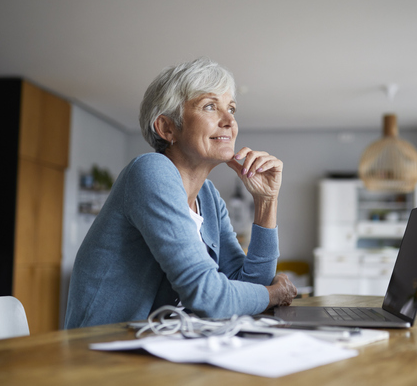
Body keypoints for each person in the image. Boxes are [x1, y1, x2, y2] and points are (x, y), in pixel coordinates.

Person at [65, 57, 297, 328]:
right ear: (167, 128)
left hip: (161, 347)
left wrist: (266, 201)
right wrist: (273, 294)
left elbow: (247, 285)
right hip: (102, 353)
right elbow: (208, 296)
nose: (229, 121)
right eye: (210, 106)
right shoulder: (151, 171)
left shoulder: (208, 197)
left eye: (231, 109)